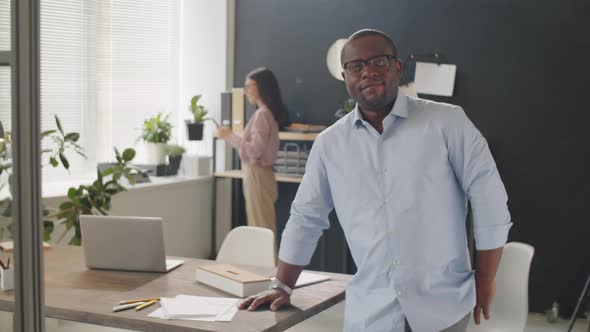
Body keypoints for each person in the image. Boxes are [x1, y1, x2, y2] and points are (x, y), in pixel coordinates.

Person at [238, 29, 512, 332]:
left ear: (396, 67)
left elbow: (490, 200)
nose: (368, 71)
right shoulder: (330, 144)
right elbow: (306, 217)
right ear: (345, 76)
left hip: (443, 308)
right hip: (371, 313)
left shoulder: (447, 123)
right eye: (356, 66)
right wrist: (283, 286)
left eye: (378, 61)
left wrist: (486, 278)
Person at [216, 68, 289, 236]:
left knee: (261, 229)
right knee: (262, 227)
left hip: (257, 174)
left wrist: (229, 136)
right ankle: (268, 262)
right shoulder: (265, 114)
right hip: (261, 174)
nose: (246, 91)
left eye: (249, 85)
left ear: (261, 86)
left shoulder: (262, 115)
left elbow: (254, 150)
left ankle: (267, 263)